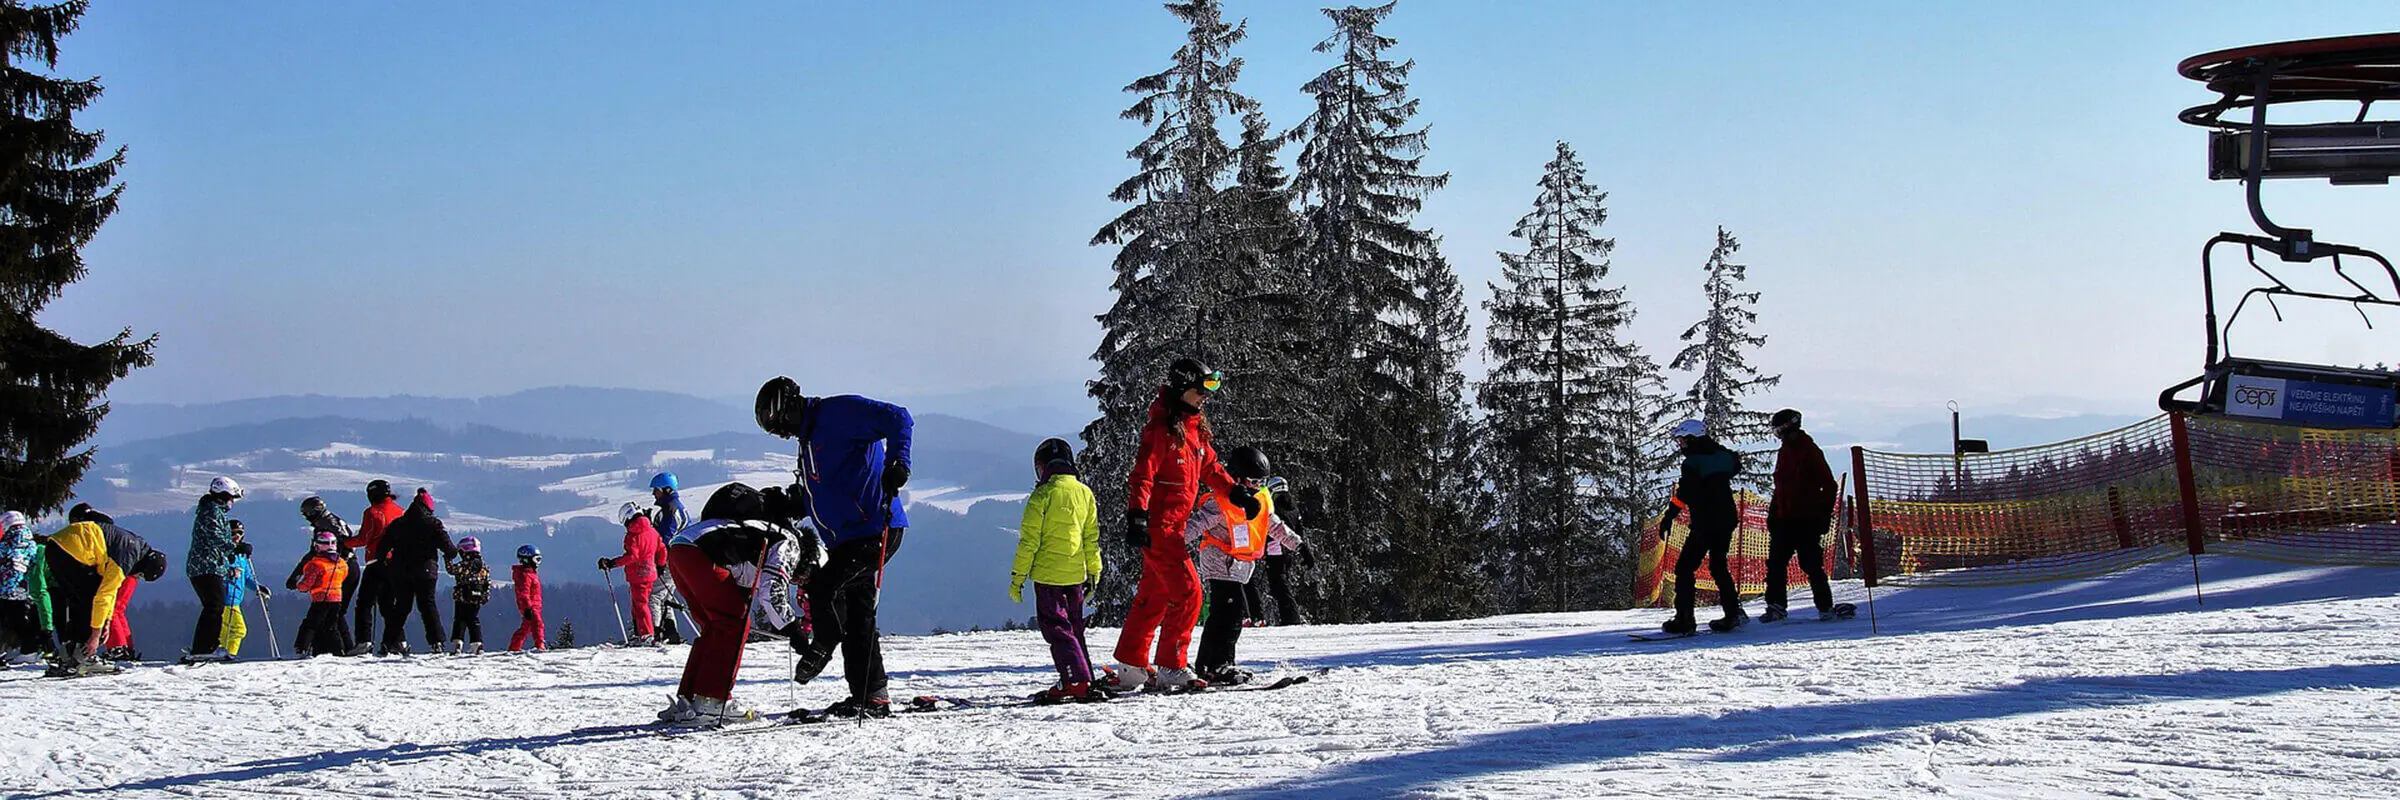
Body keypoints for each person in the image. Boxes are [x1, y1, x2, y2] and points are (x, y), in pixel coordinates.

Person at [754, 375, 914, 719]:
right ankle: (872, 696)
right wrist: (788, 504)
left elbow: (899, 417)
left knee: (824, 587)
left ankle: (823, 647)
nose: (782, 434)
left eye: (780, 425)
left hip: (877, 527)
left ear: (791, 406)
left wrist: (899, 464)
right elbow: (823, 491)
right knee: (858, 618)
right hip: (847, 538)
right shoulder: (808, 438)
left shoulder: (838, 412)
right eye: (775, 432)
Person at [1100, 359, 1252, 692]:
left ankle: (1131, 666)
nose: (1205, 396)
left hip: (1175, 529)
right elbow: (1143, 475)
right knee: (1188, 594)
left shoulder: (1195, 430)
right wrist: (1137, 515)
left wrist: (1236, 492)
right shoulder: (1161, 431)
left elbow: (1211, 468)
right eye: (1201, 389)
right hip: (1158, 529)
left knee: (1153, 597)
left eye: (1209, 389)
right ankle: (1171, 665)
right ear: (1183, 388)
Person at [659, 482, 813, 725]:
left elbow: (743, 572)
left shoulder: (761, 528)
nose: (799, 580)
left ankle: (688, 698)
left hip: (681, 548)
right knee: (734, 622)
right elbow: (772, 589)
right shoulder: (789, 542)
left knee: (714, 626)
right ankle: (712, 700)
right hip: (698, 554)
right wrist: (792, 629)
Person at [1188, 446, 1305, 686]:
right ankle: (1220, 665)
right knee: (1232, 613)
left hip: (1239, 565)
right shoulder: (1221, 499)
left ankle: (1207, 665)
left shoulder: (1261, 498)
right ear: (1238, 477)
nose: (1258, 486)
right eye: (1253, 481)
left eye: (1262, 482)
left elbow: (1275, 525)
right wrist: (1166, 542)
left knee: (1222, 614)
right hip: (1219, 560)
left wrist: (1300, 546)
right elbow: (1195, 524)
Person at [1008, 438, 1104, 704]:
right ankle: (1084, 675)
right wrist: (1094, 571)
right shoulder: (1084, 493)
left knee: (1057, 628)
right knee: (1074, 627)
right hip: (1076, 574)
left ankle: (1075, 679)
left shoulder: (1042, 496)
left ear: (1042, 467)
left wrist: (1017, 578)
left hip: (1048, 576)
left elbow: (1029, 542)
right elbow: (1091, 537)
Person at [40, 517, 167, 676]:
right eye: (141, 574)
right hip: (74, 552)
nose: (136, 576)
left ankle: (69, 654)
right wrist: (95, 635)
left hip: (56, 547)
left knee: (77, 604)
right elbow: (104, 595)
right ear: (145, 566)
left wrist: (106, 621)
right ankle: (85, 657)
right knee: (90, 603)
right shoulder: (129, 555)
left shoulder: (134, 544)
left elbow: (110, 590)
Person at [1763, 409, 1854, 623]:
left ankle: (1825, 607)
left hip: (1806, 520)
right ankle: (1776, 606)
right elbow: (1781, 487)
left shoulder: (1809, 450)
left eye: (1779, 429)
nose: (1777, 434)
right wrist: (1774, 513)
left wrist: (1822, 515)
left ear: (1788, 427)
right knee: (1776, 563)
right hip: (1784, 520)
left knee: (1811, 564)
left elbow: (1830, 486)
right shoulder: (1784, 451)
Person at [1659, 419, 1746, 634]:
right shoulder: (1722, 457)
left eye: (1681, 440)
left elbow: (1684, 494)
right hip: (1726, 520)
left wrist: (1669, 516)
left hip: (1705, 522)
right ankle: (1733, 613)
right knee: (1718, 566)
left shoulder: (1692, 463)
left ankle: (1685, 619)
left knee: (1685, 568)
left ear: (1692, 438)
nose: (1680, 445)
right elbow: (1735, 462)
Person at [372, 488, 457, 655]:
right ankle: (436, 642)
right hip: (426, 571)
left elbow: (381, 550)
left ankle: (388, 643)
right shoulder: (434, 524)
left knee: (401, 607)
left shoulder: (398, 524)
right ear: (429, 508)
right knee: (427, 606)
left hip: (400, 572)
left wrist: (387, 563)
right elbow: (450, 550)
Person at [182, 476, 245, 663]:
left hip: (210, 566)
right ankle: (204, 647)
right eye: (231, 497)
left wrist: (228, 560)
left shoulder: (212, 510)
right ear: (223, 495)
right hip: (206, 566)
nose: (233, 502)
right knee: (214, 606)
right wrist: (236, 548)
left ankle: (206, 646)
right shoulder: (211, 512)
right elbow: (214, 537)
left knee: (214, 606)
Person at [290, 496, 361, 655]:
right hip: (348, 566)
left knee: (326, 613)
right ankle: (343, 647)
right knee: (336, 611)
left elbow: (313, 553)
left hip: (335, 568)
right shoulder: (334, 520)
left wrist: (297, 574)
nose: (307, 518)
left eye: (307, 514)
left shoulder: (324, 527)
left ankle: (328, 648)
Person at [348, 480, 406, 653]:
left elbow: (365, 537)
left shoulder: (373, 512)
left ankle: (364, 641)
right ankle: (397, 641)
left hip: (376, 562)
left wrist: (345, 542)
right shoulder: (400, 511)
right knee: (389, 605)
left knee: (365, 603)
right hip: (396, 563)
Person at [599, 502, 665, 645]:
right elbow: (662, 549)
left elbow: (632, 556)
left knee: (640, 605)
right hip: (651, 572)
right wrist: (660, 565)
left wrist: (612, 563)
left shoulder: (632, 536)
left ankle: (647, 635)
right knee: (639, 604)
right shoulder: (652, 531)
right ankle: (641, 633)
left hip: (638, 574)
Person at [1256, 476, 1315, 626]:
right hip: (1288, 550)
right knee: (1281, 584)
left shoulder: (1275, 506)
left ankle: (1290, 619)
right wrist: (1299, 547)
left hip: (1275, 550)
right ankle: (1288, 617)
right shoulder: (1293, 507)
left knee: (1279, 585)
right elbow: (1298, 529)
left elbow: (1273, 527)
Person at [293, 531, 354, 657]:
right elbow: (343, 577)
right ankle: (339, 650)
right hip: (336, 599)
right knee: (331, 626)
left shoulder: (315, 564)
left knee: (310, 624)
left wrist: (298, 586)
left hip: (320, 599)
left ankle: (302, 648)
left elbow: (307, 584)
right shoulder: (342, 563)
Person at [646, 472, 691, 645]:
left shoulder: (670, 510)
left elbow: (664, 538)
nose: (653, 494)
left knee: (655, 596)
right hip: (677, 560)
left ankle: (655, 634)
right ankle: (671, 634)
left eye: (656, 490)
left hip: (668, 559)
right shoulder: (677, 507)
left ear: (666, 489)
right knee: (667, 597)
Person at [215, 523, 271, 659]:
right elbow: (220, 570)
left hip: (235, 599)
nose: (237, 536)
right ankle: (230, 654)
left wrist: (257, 587)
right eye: (233, 533)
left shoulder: (241, 555)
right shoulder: (224, 552)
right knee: (239, 629)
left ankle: (220, 652)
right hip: (227, 597)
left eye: (239, 533)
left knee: (225, 630)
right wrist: (231, 571)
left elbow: (246, 576)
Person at [1, 511, 49, 664]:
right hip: (25, 585)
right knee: (20, 618)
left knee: (13, 619)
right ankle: (30, 649)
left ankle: (28, 649)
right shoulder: (30, 541)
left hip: (7, 586)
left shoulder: (10, 540)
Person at [447, 536, 492, 654]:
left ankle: (457, 643)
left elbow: (451, 570)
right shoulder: (484, 566)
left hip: (462, 596)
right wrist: (485, 595)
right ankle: (477, 644)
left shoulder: (464, 564)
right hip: (477, 597)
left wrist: (447, 558)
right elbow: (487, 582)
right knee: (473, 620)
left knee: (459, 619)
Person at [508, 545, 546, 652]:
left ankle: (514, 647)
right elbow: (523, 593)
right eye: (536, 559)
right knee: (537, 623)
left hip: (534, 605)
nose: (538, 563)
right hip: (529, 606)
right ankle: (539, 645)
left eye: (539, 559)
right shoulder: (525, 575)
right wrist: (527, 608)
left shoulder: (531, 573)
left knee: (527, 627)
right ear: (526, 560)